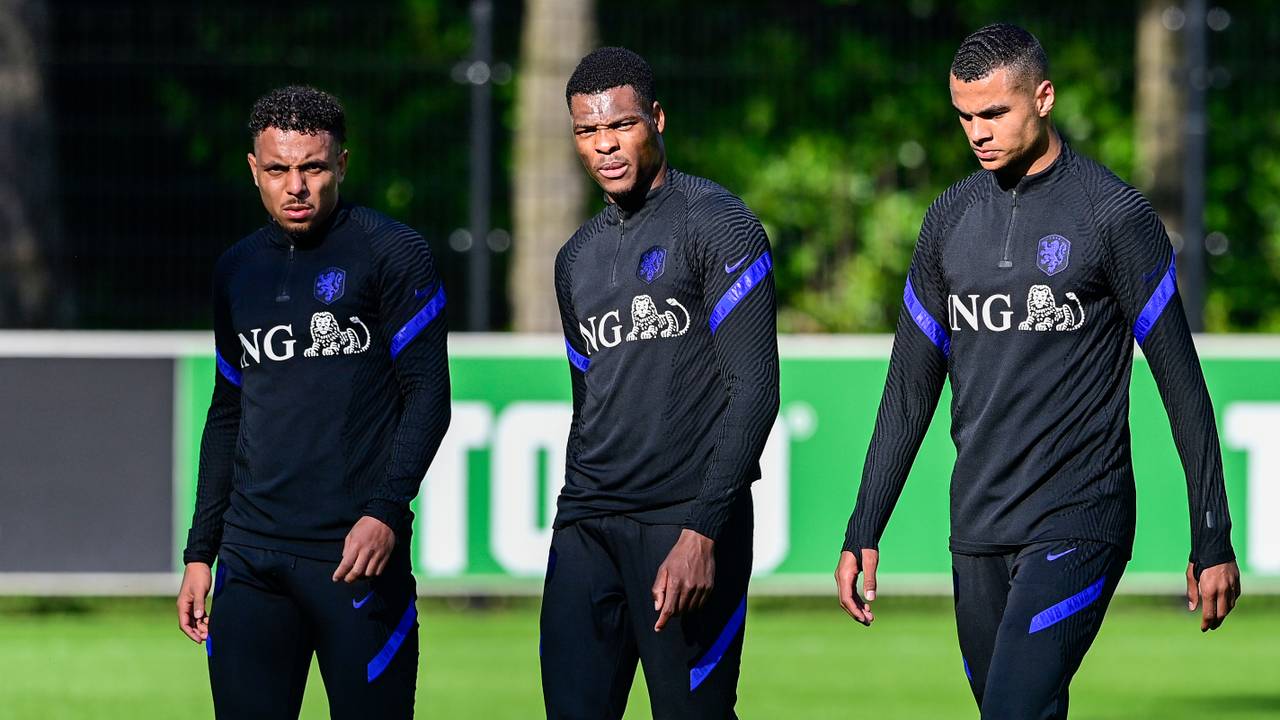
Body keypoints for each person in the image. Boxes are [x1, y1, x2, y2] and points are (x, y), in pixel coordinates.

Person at [834, 23, 1241, 719]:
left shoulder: (1113, 216)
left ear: (1044, 97)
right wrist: (862, 526)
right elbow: (908, 393)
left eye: (995, 112)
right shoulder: (947, 221)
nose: (978, 132)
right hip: (978, 527)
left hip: (1081, 519)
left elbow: (1182, 386)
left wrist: (1213, 535)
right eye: (965, 116)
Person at [175, 85, 450, 718]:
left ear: (342, 164)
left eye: (313, 167)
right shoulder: (236, 270)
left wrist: (386, 509)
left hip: (354, 558)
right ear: (254, 169)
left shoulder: (394, 252)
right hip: (250, 561)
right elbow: (227, 413)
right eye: (277, 169)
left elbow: (429, 396)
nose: (295, 185)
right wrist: (200, 553)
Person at [540, 47, 779, 719]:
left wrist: (703, 531)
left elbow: (756, 392)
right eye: (587, 131)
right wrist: (574, 511)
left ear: (658, 119)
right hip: (587, 527)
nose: (605, 145)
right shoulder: (575, 258)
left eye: (620, 125)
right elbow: (587, 406)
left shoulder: (719, 224)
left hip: (686, 524)